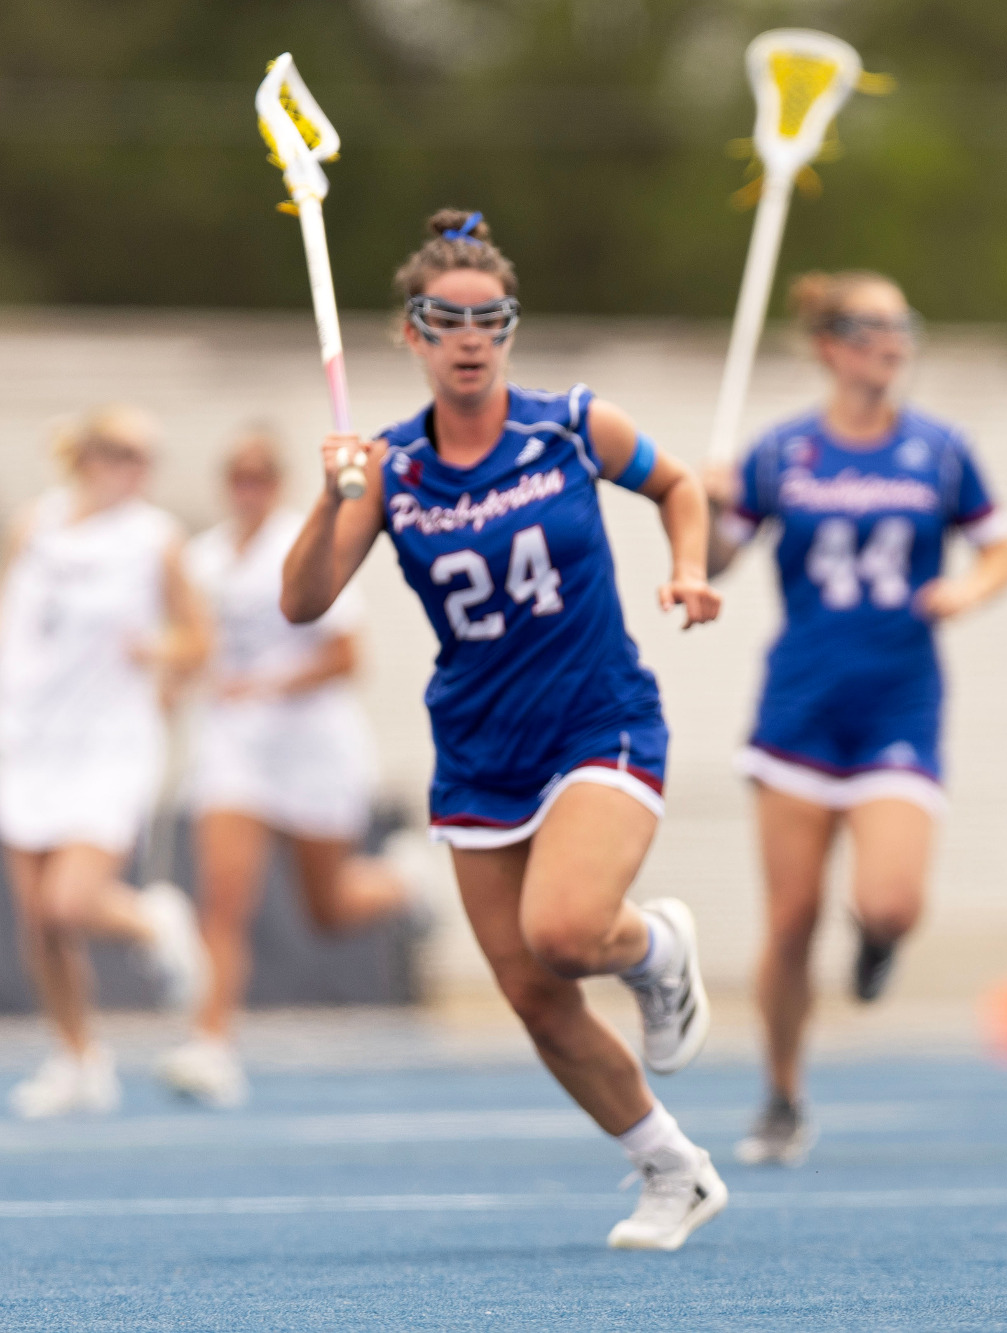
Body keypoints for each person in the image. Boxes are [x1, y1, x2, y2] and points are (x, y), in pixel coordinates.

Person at [280, 209, 727, 1251]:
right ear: (414, 333)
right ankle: (671, 1169)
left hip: (596, 717)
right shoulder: (386, 468)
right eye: (448, 319)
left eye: (491, 319)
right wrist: (324, 497)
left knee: (566, 934)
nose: (471, 337)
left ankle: (655, 947)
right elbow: (302, 600)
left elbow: (676, 484)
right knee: (533, 993)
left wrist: (691, 565)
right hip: (479, 745)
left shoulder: (569, 425)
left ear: (510, 328)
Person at [707, 271, 1007, 1166]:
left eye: (901, 326)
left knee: (889, 899)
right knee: (792, 917)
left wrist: (966, 588)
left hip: (898, 703)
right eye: (872, 327)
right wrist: (700, 499)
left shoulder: (940, 450)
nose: (891, 343)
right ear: (830, 345)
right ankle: (780, 1091)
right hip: (799, 706)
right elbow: (716, 558)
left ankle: (876, 945)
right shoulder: (782, 453)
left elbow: (1003, 551)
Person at [158, 429, 424, 1109]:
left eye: (260, 476)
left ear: (275, 483)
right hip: (235, 751)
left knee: (329, 909)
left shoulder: (302, 545)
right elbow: (194, 643)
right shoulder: (204, 558)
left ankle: (402, 879)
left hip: (313, 749)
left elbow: (345, 656)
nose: (249, 488)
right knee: (223, 896)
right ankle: (212, 1041)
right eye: (238, 476)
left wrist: (268, 685)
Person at [1, 406, 211, 1119]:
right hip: (28, 738)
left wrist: (159, 653)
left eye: (145, 455)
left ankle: (156, 920)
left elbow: (197, 639)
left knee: (71, 898)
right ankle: (79, 1056)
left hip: (108, 744)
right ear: (88, 456)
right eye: (123, 452)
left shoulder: (155, 539)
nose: (135, 468)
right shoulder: (37, 522)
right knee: (39, 919)